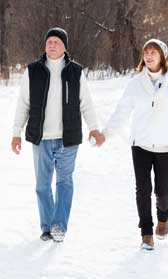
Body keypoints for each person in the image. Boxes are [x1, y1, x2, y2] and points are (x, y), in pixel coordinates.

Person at [11, 27, 104, 242]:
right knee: (42, 186)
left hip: (67, 138)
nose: (51, 44)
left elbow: (86, 104)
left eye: (56, 41)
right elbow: (22, 104)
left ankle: (59, 225)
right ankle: (46, 226)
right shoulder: (32, 71)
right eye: (48, 41)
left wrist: (94, 128)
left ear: (64, 46)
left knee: (64, 182)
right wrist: (16, 132)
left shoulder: (76, 71)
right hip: (40, 137)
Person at [102, 39, 168, 250]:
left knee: (162, 191)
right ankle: (146, 233)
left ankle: (163, 218)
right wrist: (106, 133)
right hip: (140, 145)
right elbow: (122, 110)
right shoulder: (136, 83)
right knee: (143, 190)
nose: (149, 56)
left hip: (165, 146)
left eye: (154, 52)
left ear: (162, 56)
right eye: (146, 52)